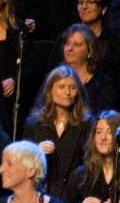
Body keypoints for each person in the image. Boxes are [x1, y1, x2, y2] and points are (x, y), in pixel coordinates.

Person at [26, 64, 92, 194]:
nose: (68, 93)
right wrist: (37, 152)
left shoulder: (86, 124)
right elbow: (23, 163)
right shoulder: (34, 123)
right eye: (61, 87)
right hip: (42, 192)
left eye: (72, 88)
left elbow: (89, 162)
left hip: (74, 193)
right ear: (50, 90)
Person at [61, 23, 117, 113]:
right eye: (67, 44)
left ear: (90, 51)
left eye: (77, 45)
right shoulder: (55, 78)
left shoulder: (103, 84)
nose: (69, 49)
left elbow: (104, 120)